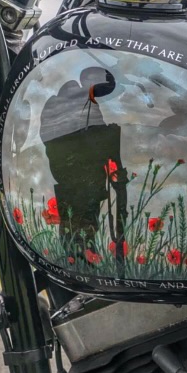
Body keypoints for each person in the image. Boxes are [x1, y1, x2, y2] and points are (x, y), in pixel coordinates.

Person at [39, 66, 127, 258]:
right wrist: (109, 133)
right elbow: (86, 138)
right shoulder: (81, 103)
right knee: (83, 226)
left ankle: (77, 258)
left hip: (68, 177)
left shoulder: (59, 103)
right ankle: (82, 259)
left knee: (73, 226)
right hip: (83, 178)